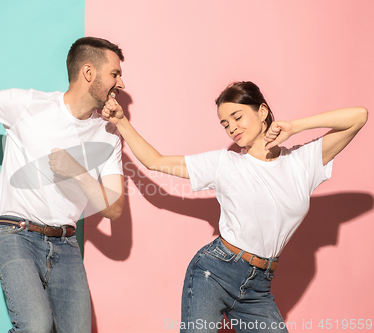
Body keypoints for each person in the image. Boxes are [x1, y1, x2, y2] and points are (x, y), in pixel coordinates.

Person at [102, 81, 368, 333]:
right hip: (214, 272)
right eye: (225, 124)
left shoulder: (303, 162)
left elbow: (359, 116)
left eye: (237, 117)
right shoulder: (225, 164)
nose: (231, 128)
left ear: (262, 111)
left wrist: (295, 127)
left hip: (259, 286)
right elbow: (155, 161)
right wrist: (121, 122)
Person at [0, 37, 126, 333]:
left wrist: (77, 171)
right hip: (15, 234)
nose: (121, 83)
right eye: (115, 73)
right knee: (35, 327)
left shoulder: (109, 137)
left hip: (66, 244)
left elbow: (114, 209)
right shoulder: (27, 103)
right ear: (88, 72)